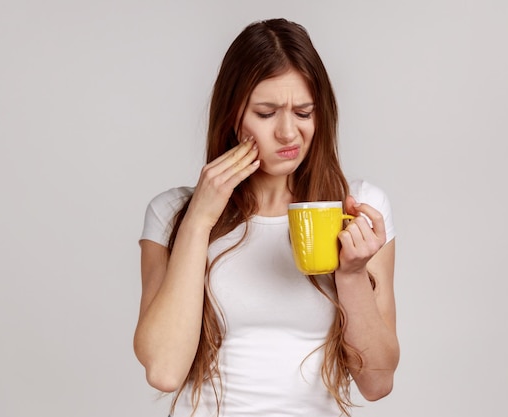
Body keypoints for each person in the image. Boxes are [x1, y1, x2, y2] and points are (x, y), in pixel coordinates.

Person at [134, 18, 399, 417]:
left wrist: (352, 274)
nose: (288, 133)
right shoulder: (172, 213)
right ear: (233, 117)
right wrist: (199, 220)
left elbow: (377, 382)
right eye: (266, 112)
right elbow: (164, 370)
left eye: (304, 112)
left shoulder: (356, 207)